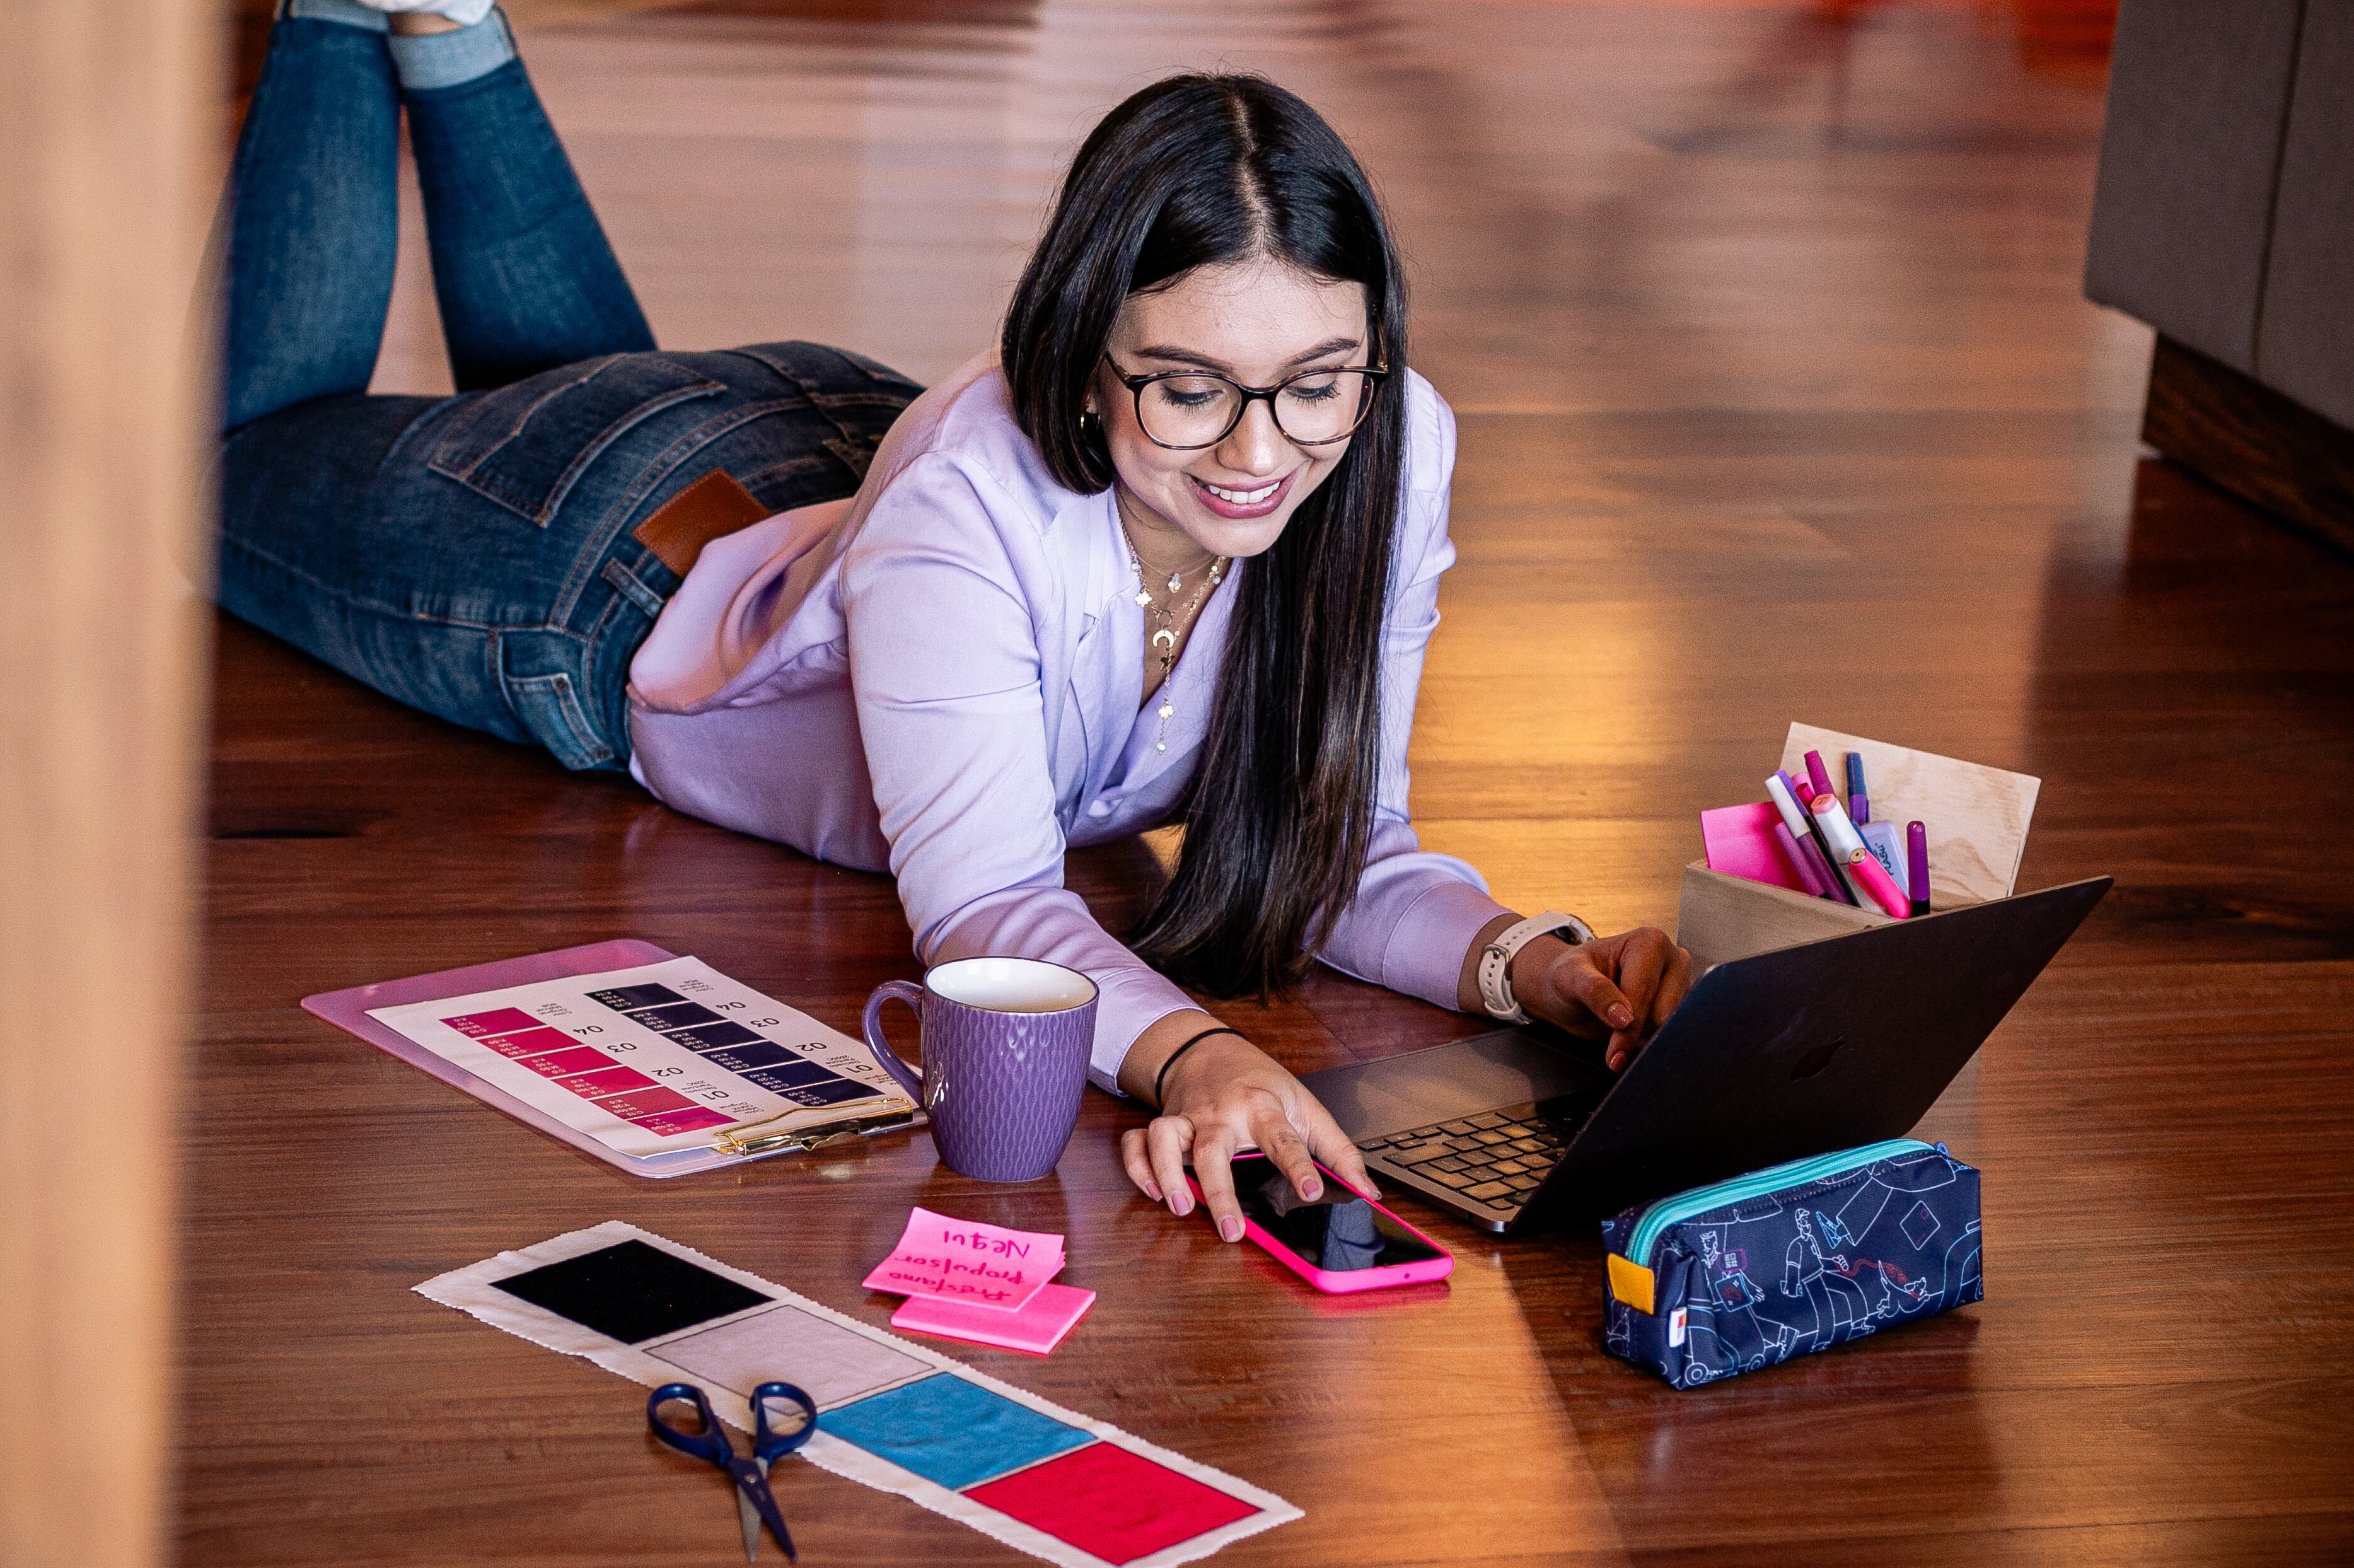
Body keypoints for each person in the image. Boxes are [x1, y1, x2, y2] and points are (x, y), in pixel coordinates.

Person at [213, 0, 1695, 1242]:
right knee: (225, 462)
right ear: (1082, 358)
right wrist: (1197, 1060)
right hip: (609, 564)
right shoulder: (967, 504)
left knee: (575, 370)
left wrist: (1535, 966)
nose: (1261, 457)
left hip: (812, 458)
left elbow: (1342, 851)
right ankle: (361, 8)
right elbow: (986, 914)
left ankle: (448, 14)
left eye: (1317, 381)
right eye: (1189, 388)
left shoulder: (1396, 443)